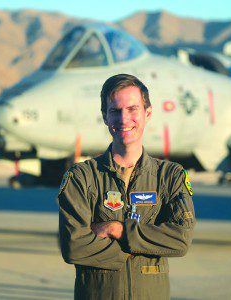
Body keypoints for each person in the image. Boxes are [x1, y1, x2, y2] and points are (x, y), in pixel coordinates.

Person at [58, 74, 195, 299]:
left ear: (147, 113)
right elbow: (74, 247)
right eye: (115, 111)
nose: (124, 119)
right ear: (104, 116)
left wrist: (119, 230)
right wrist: (139, 248)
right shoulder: (82, 177)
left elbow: (180, 240)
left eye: (132, 109)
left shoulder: (170, 176)